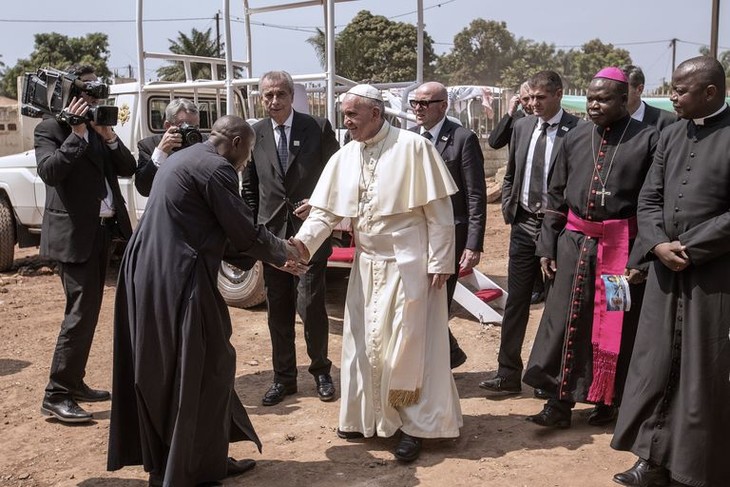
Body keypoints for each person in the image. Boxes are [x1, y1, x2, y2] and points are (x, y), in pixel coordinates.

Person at [107, 115, 303, 487]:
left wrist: (273, 251)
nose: (247, 163)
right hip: (177, 276)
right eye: (248, 153)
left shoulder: (188, 155)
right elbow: (243, 231)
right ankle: (185, 468)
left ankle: (200, 460)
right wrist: (283, 253)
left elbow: (221, 231)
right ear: (236, 143)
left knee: (184, 367)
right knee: (199, 366)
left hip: (151, 271)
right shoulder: (217, 170)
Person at [290, 84, 462, 463]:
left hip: (410, 264)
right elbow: (325, 213)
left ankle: (414, 427)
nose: (345, 122)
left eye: (352, 115)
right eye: (344, 114)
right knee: (363, 344)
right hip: (367, 265)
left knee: (407, 348)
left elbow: (439, 212)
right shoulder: (345, 155)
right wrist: (300, 246)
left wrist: (440, 261)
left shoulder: (414, 148)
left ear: (376, 114)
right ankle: (366, 417)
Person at [611, 56, 730, 487]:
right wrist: (658, 243)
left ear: (710, 93)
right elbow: (649, 196)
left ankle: (692, 465)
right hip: (665, 268)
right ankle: (651, 459)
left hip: (713, 276)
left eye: (681, 90)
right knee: (655, 365)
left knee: (702, 370)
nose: (673, 97)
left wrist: (693, 247)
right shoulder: (671, 133)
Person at [522, 67, 659, 429]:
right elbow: (555, 195)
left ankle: (607, 399)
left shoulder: (648, 139)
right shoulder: (576, 137)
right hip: (573, 245)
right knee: (564, 321)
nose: (594, 105)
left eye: (603, 99)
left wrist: (640, 255)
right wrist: (546, 245)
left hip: (620, 248)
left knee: (615, 324)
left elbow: (650, 205)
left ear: (624, 99)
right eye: (590, 98)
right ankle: (558, 402)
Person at [35, 64, 136, 424]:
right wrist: (76, 135)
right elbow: (49, 172)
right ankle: (56, 394)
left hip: (103, 233)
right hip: (74, 236)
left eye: (97, 92)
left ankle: (74, 383)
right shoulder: (51, 128)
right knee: (79, 313)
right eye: (88, 92)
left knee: (89, 312)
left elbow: (129, 168)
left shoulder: (100, 127)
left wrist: (108, 136)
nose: (94, 98)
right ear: (72, 95)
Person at [479, 71, 581, 398]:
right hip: (523, 224)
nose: (533, 104)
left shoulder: (579, 131)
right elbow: (512, 171)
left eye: (541, 98)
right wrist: (509, 207)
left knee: (556, 304)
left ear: (559, 95)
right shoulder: (522, 127)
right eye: (529, 98)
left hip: (561, 229)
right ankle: (508, 373)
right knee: (516, 301)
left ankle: (547, 376)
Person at [241, 70, 340, 406]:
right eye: (267, 95)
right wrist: (256, 230)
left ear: (291, 95)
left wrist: (319, 201)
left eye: (280, 94)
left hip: (310, 235)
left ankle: (321, 372)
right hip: (272, 240)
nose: (274, 101)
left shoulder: (318, 128)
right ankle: (284, 378)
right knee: (278, 310)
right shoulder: (254, 134)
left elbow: (337, 173)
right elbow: (250, 189)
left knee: (311, 306)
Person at [409, 81, 486, 369]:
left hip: (451, 235)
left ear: (443, 106)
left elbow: (475, 195)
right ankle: (448, 354)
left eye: (424, 103)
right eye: (414, 103)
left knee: (438, 302)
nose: (418, 108)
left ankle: (437, 365)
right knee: (419, 301)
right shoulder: (410, 138)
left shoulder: (463, 139)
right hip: (416, 234)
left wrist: (473, 243)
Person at [134, 98, 201, 197]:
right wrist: (161, 152)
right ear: (168, 125)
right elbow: (144, 190)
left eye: (195, 127)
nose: (191, 132)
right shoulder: (149, 145)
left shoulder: (204, 142)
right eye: (186, 126)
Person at [620, 64, 676, 130]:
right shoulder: (609, 121)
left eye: (622, 89)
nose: (616, 94)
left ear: (639, 90)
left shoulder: (667, 122)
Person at [488, 81, 532, 150]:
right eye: (525, 99)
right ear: (519, 99)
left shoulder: (545, 118)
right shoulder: (514, 119)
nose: (530, 103)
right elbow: (494, 143)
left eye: (532, 98)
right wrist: (510, 112)